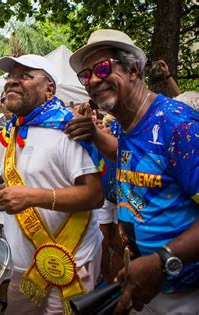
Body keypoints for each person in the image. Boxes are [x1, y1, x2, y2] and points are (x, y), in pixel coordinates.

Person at [69, 28, 199, 314]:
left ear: (134, 70)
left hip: (184, 293)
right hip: (145, 285)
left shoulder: (178, 127)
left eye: (103, 68)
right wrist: (94, 133)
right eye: (86, 75)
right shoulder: (120, 124)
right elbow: (136, 156)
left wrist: (162, 260)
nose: (93, 80)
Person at [0, 54, 104, 314]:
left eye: (24, 76)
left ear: (49, 89)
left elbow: (94, 195)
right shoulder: (12, 131)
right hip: (24, 264)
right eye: (10, 77)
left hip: (72, 261)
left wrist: (31, 197)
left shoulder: (69, 128)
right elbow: (22, 183)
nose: (12, 82)